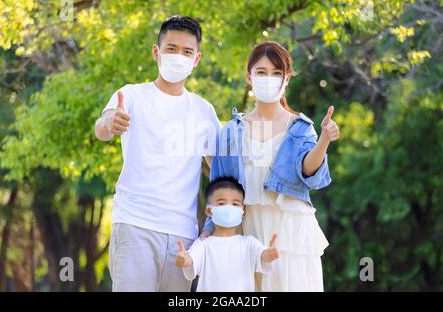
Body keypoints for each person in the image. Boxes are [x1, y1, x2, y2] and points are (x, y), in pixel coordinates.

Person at [94, 15, 221, 292]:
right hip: (135, 225)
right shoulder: (131, 96)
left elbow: (220, 171)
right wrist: (109, 122)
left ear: (197, 59)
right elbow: (101, 128)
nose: (179, 57)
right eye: (171, 49)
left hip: (183, 235)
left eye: (187, 52)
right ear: (157, 52)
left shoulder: (204, 111)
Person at [201, 41, 340, 291]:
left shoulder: (299, 127)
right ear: (249, 77)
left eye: (277, 73)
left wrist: (324, 140)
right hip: (247, 231)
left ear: (287, 78)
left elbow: (309, 172)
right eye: (261, 72)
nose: (269, 79)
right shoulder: (231, 131)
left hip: (292, 232)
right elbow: (218, 185)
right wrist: (209, 232)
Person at [175, 176, 279, 291]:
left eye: (235, 204)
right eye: (221, 203)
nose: (229, 208)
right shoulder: (203, 244)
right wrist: (184, 259)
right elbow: (191, 259)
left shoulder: (249, 243)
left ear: (243, 211)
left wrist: (270, 254)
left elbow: (262, 256)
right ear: (209, 211)